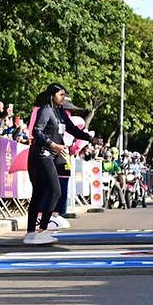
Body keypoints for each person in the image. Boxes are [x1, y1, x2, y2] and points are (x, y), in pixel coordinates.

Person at [25, 83, 101, 245]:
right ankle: (40, 230)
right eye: (61, 94)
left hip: (51, 156)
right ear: (52, 95)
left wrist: (90, 138)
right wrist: (54, 145)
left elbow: (73, 130)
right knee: (55, 190)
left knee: (39, 194)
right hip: (41, 155)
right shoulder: (45, 110)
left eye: (64, 94)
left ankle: (32, 233)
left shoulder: (60, 113)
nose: (63, 97)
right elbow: (36, 132)